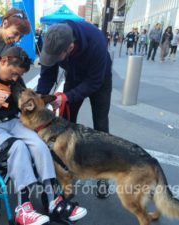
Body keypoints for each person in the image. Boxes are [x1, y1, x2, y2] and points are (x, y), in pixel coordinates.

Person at [0, 46, 87, 225]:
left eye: (18, 75)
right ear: (3, 60)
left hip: (14, 122)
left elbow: (23, 102)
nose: (15, 79)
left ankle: (54, 200)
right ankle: (23, 208)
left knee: (40, 144)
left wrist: (40, 103)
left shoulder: (13, 78)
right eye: (14, 74)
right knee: (17, 147)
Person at [37, 21, 112, 198]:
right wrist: (40, 97)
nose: (53, 60)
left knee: (100, 124)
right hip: (74, 76)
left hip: (99, 79)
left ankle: (104, 173)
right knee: (65, 124)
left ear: (70, 47)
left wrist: (67, 96)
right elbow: (47, 75)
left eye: (57, 57)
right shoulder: (54, 38)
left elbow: (94, 82)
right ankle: (65, 167)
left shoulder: (96, 42)